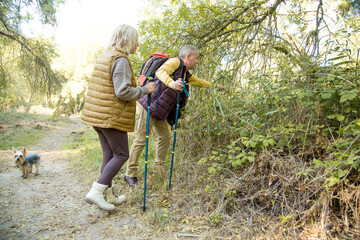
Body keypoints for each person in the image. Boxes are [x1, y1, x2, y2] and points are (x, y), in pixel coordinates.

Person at [81, 24, 155, 211]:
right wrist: (145, 90)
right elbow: (122, 91)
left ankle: (108, 195)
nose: (138, 44)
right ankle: (96, 192)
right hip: (110, 116)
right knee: (122, 154)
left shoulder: (106, 55)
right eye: (136, 40)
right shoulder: (120, 59)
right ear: (127, 40)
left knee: (109, 154)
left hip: (98, 115)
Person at [124, 45, 215, 187]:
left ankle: (158, 168)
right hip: (147, 105)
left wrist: (214, 86)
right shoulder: (175, 62)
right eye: (196, 58)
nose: (197, 61)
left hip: (159, 110)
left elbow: (199, 82)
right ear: (188, 57)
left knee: (164, 137)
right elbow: (161, 72)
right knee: (141, 140)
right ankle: (130, 174)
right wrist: (172, 83)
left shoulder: (184, 73)